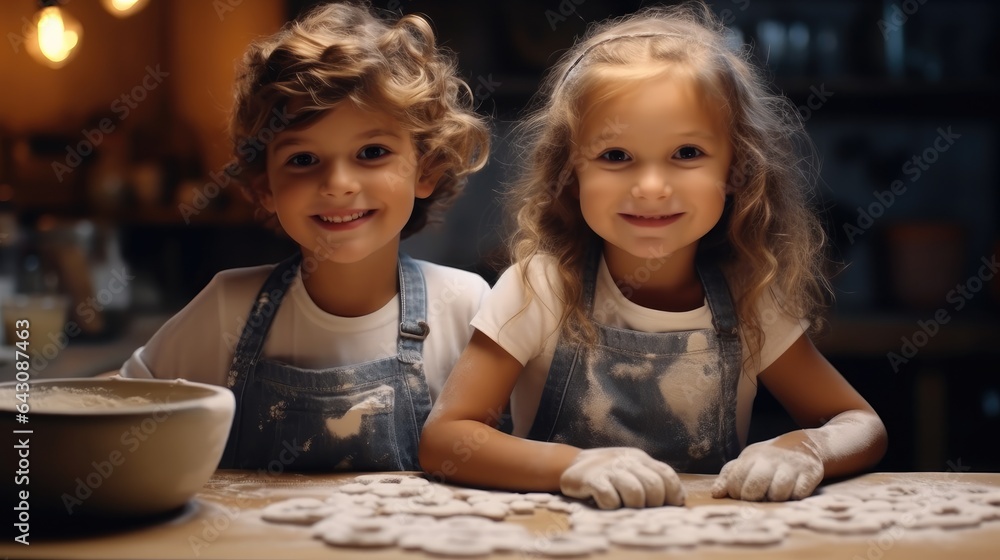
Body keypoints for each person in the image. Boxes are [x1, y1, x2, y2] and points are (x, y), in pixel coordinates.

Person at [419, 2, 887, 509]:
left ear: (739, 170)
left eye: (687, 153)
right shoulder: (538, 288)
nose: (651, 188)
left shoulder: (750, 297)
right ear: (571, 172)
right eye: (615, 156)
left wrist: (806, 448)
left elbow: (860, 424)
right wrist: (574, 464)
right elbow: (446, 440)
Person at [119, 2, 491, 472]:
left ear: (427, 169)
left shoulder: (464, 305)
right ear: (264, 187)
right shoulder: (226, 307)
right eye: (302, 160)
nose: (338, 183)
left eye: (371, 152)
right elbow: (124, 411)